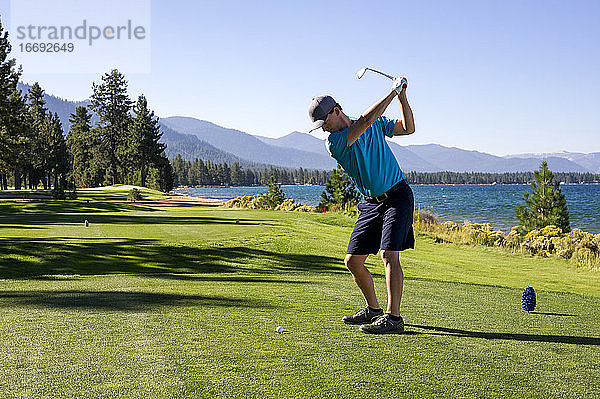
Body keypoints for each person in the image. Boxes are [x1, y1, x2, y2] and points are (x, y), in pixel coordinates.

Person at [308, 77, 415, 334]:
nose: (323, 129)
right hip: (371, 203)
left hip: (397, 197)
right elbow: (366, 121)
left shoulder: (376, 123)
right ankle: (373, 310)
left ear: (336, 111)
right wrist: (391, 92)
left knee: (389, 255)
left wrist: (402, 97)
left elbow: (408, 128)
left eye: (325, 123)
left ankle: (393, 318)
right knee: (353, 261)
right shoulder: (334, 142)